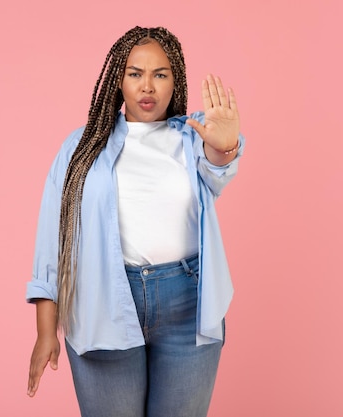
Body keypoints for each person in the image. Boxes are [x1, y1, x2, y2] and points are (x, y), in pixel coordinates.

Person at [26, 26, 245, 417]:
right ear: (117, 81)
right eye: (135, 74)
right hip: (101, 302)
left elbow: (217, 171)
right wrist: (46, 330)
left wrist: (225, 144)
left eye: (160, 74)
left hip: (187, 304)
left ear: (174, 80)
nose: (148, 86)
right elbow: (51, 239)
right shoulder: (80, 148)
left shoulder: (193, 137)